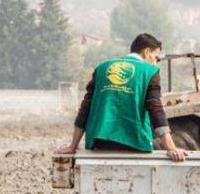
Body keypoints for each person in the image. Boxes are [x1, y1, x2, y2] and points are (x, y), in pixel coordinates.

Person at [57, 33, 187, 161]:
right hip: (134, 142)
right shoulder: (150, 72)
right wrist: (171, 148)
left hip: (100, 142)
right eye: (155, 57)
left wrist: (73, 146)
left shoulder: (102, 68)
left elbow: (85, 108)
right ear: (147, 52)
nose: (155, 63)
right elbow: (155, 108)